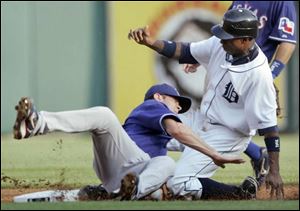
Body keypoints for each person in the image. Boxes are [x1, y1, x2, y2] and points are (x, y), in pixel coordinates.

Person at [128, 8, 284, 199]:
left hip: (227, 135)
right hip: (201, 119)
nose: (221, 40)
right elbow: (184, 51)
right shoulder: (222, 45)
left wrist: (275, 171)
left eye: (228, 37)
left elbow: (270, 129)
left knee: (179, 182)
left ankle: (238, 193)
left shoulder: (258, 76)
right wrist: (150, 42)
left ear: (245, 40)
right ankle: (127, 181)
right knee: (149, 126)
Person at [13, 83, 246, 201]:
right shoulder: (152, 107)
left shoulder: (157, 130)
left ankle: (118, 192)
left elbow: (195, 140)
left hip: (121, 174)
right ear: (159, 97)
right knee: (105, 116)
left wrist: (255, 152)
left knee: (168, 171)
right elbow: (179, 131)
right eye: (176, 102)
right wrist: (215, 154)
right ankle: (36, 123)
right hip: (127, 161)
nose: (178, 107)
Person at [183, 1, 297, 187]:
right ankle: (258, 155)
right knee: (218, 118)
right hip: (229, 64)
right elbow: (224, 31)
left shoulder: (282, 2)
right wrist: (200, 56)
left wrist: (271, 75)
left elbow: (288, 43)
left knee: (242, 123)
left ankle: (261, 158)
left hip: (252, 72)